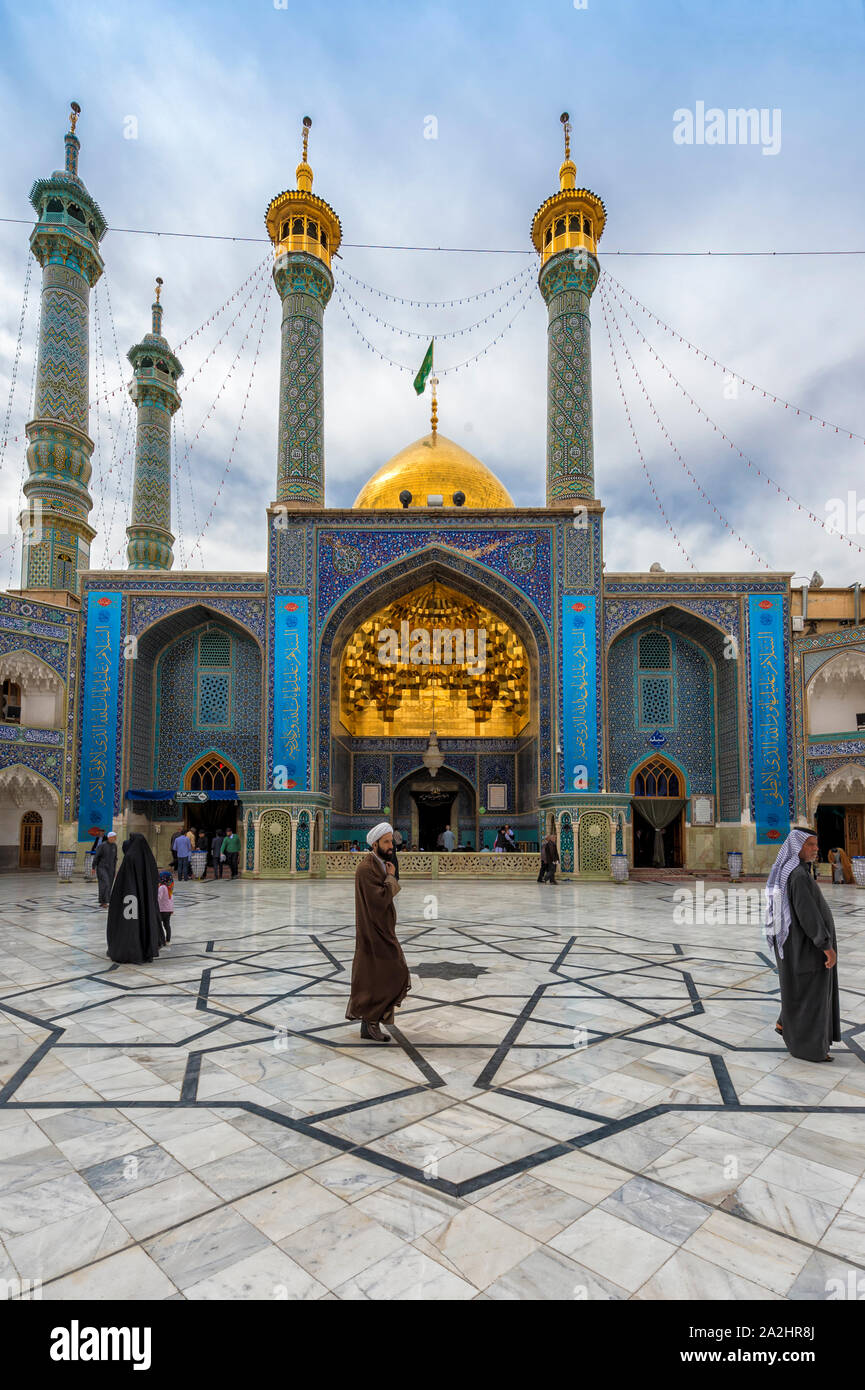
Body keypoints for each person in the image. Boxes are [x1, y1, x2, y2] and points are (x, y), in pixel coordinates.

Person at [765, 826, 840, 1063]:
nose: (816, 849)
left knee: (800, 991)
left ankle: (784, 1023)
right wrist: (825, 945)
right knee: (811, 995)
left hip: (796, 945)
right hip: (804, 946)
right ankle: (809, 1049)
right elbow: (808, 915)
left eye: (816, 844)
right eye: (810, 845)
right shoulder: (797, 875)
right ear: (797, 847)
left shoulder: (794, 871)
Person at [346, 821, 410, 1043]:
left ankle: (370, 1022)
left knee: (383, 975)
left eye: (391, 841)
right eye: (387, 842)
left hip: (382, 928)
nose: (391, 845)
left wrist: (391, 873)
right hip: (372, 931)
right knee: (389, 973)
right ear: (375, 844)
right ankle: (371, 1021)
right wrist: (391, 878)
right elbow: (379, 899)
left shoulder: (382, 863)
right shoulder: (366, 868)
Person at [106, 833, 162, 964]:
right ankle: (145, 950)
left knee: (131, 927)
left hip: (130, 900)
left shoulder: (130, 858)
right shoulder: (149, 859)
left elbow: (125, 883)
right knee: (144, 923)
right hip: (145, 902)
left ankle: (131, 951)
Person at [92, 831, 117, 908]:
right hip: (102, 868)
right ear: (109, 837)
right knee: (105, 883)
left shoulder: (114, 846)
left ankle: (104, 901)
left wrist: (115, 870)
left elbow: (115, 859)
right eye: (114, 837)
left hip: (111, 869)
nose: (115, 838)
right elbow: (97, 857)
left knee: (109, 885)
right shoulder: (102, 846)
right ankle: (104, 901)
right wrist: (93, 867)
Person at [157, 870, 174, 950]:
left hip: (162, 910)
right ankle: (168, 940)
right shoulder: (169, 887)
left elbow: (158, 898)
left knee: (158, 925)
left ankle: (161, 940)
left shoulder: (162, 887)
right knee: (167, 925)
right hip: (168, 910)